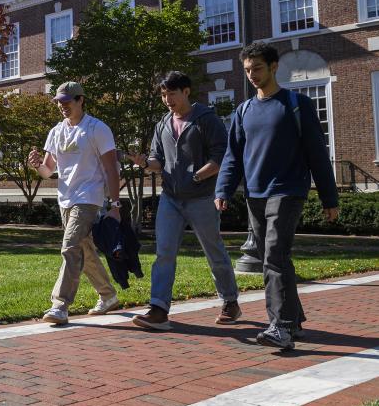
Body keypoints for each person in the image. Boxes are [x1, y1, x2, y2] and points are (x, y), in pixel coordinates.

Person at [215, 42, 339, 350]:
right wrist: (223, 188)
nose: (252, 75)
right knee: (275, 255)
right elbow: (233, 156)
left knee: (273, 254)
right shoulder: (244, 110)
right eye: (247, 70)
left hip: (288, 191)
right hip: (255, 193)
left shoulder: (296, 105)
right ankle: (294, 320)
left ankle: (280, 326)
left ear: (274, 66)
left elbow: (317, 154)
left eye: (257, 68)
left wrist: (329, 198)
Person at [129, 71, 239, 331]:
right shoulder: (163, 124)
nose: (167, 99)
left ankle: (230, 301)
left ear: (186, 92)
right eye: (164, 94)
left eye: (172, 93)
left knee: (214, 251)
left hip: (202, 198)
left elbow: (221, 155)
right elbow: (158, 162)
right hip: (171, 199)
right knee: (164, 253)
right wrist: (145, 163)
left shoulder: (206, 119)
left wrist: (198, 176)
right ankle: (158, 309)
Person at [28, 81, 123, 324]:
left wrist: (115, 204)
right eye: (59, 102)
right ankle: (108, 295)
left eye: (67, 101)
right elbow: (49, 171)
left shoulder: (96, 129)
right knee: (84, 250)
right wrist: (37, 164)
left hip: (89, 198)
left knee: (70, 247)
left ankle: (59, 305)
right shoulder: (56, 131)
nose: (62, 106)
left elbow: (111, 168)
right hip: (65, 198)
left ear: (81, 100)